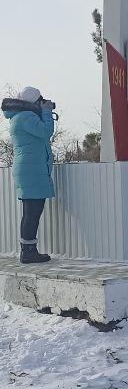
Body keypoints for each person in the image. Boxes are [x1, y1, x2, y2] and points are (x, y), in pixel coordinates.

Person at [1, 86, 57, 264]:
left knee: (31, 211)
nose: (43, 102)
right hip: (31, 170)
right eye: (40, 100)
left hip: (29, 169)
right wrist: (47, 112)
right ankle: (28, 252)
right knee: (32, 212)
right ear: (34, 101)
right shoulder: (26, 117)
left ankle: (29, 250)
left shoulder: (20, 116)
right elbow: (46, 132)